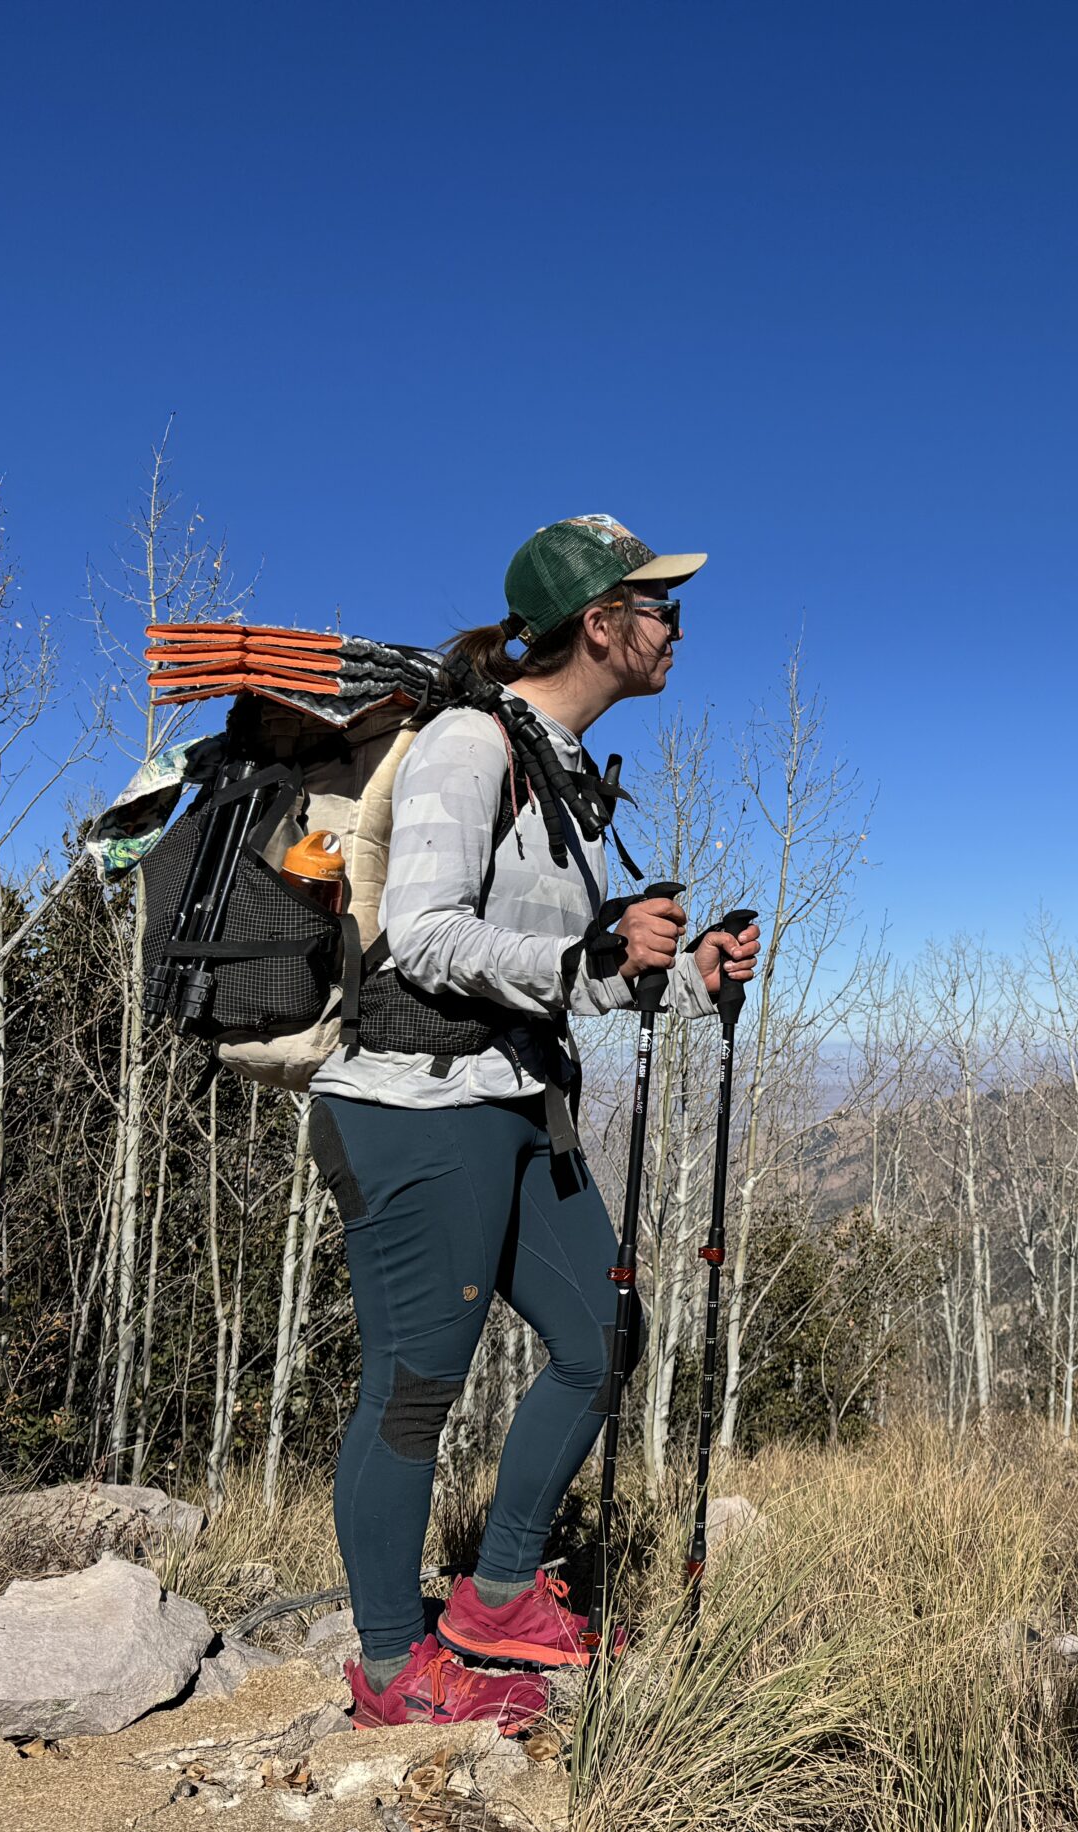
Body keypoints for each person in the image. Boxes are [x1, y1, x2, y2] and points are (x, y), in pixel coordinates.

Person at [306, 514, 760, 1729]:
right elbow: (425, 935)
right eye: (659, 609)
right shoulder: (467, 742)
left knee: (600, 1332)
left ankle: (498, 1594)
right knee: (414, 1390)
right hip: (415, 1110)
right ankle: (393, 1669)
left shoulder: (560, 768)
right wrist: (587, 951)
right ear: (600, 624)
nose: (676, 630)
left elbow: (561, 969)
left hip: (514, 1105)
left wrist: (670, 967)